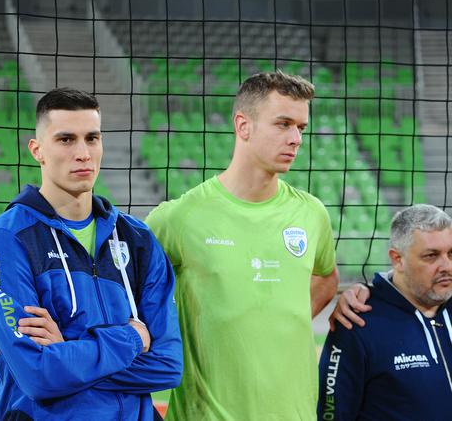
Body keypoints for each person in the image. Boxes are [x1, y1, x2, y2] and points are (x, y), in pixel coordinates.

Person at [0, 87, 182, 420]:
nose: (83, 153)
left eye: (92, 138)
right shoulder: (7, 239)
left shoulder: (137, 238)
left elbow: (167, 366)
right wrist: (131, 336)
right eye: (66, 139)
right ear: (37, 150)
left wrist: (67, 352)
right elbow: (38, 375)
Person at [146, 71, 339, 420]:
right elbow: (126, 293)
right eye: (283, 124)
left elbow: (326, 278)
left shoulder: (312, 214)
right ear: (243, 126)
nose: (296, 138)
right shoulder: (177, 218)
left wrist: (269, 327)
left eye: (301, 127)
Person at [318, 204, 452, 420]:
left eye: (451, 254)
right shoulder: (357, 321)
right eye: (431, 256)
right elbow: (332, 413)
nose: (447, 266)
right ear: (397, 259)